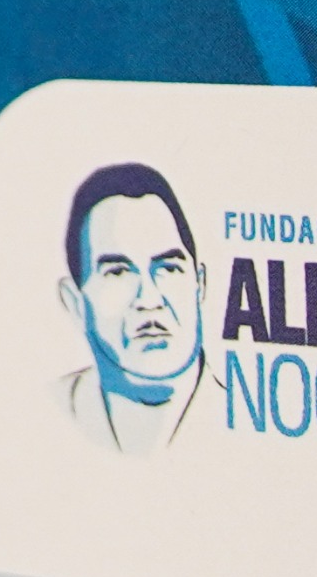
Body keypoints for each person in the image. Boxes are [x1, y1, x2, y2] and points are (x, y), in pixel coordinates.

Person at [56, 162, 209, 453]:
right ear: (75, 303)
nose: (149, 301)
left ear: (200, 284)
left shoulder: (246, 418)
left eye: (168, 269)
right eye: (118, 272)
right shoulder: (43, 412)